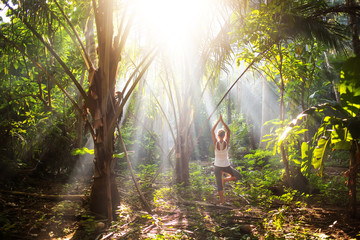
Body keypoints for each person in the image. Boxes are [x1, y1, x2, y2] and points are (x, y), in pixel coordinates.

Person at [211, 114, 241, 204]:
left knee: (219, 184)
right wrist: (222, 121)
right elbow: (228, 130)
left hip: (217, 166)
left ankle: (222, 201)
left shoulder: (215, 142)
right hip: (225, 166)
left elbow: (212, 130)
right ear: (224, 136)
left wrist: (218, 121)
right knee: (237, 176)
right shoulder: (226, 142)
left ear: (217, 135)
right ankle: (225, 179)